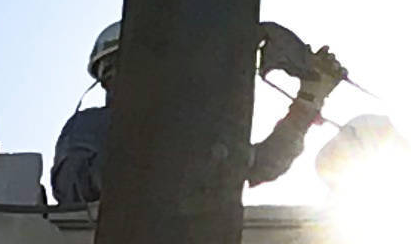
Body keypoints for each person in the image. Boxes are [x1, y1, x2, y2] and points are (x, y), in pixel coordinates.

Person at [49, 19, 347, 210]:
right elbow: (73, 189)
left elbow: (263, 163)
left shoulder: (191, 129)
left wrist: (309, 98)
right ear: (108, 76)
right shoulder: (93, 124)